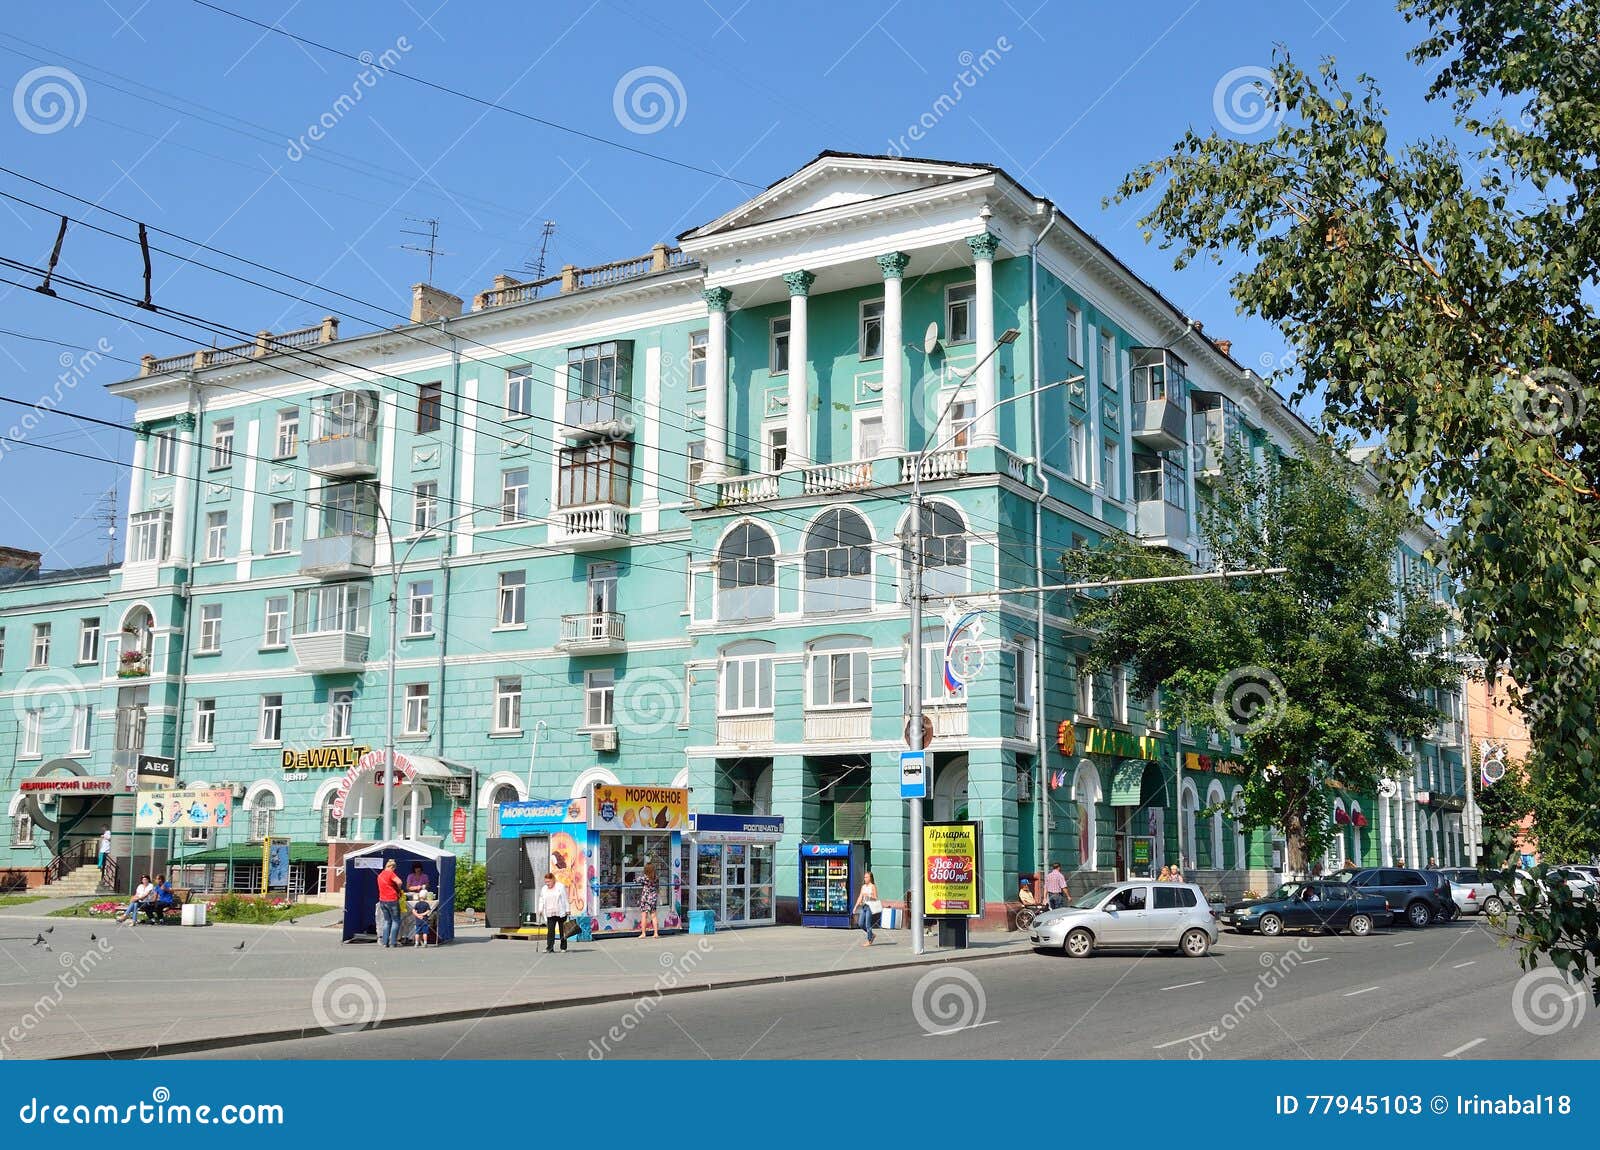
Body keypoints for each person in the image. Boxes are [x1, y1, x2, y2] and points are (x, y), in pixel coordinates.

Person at [537, 871, 570, 953]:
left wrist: (567, 909)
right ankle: (550, 947)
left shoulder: (560, 887)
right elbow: (541, 899)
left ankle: (563, 947)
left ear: (553, 880)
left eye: (548, 881)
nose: (547, 883)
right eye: (546, 882)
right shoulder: (544, 889)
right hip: (549, 912)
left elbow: (565, 898)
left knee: (563, 930)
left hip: (560, 912)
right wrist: (540, 909)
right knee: (550, 931)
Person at [375, 858, 404, 948]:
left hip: (382, 901)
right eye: (394, 868)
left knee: (387, 921)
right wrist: (398, 889)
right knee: (396, 921)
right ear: (391, 867)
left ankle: (385, 942)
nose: (394, 870)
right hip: (392, 900)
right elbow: (399, 882)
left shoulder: (380, 875)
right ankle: (393, 942)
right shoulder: (390, 873)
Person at [852, 870, 881, 947]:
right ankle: (872, 934)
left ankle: (869, 940)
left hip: (870, 907)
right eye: (864, 877)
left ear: (870, 878)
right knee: (861, 923)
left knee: (868, 924)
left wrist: (869, 896)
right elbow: (860, 897)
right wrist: (855, 907)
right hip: (864, 906)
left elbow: (875, 897)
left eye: (866, 877)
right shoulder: (863, 886)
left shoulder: (873, 886)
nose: (865, 878)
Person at [638, 861, 661, 939]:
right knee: (654, 916)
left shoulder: (645, 878)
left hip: (645, 897)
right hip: (653, 897)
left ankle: (643, 933)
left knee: (644, 916)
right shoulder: (656, 878)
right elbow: (657, 887)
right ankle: (656, 933)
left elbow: (636, 880)